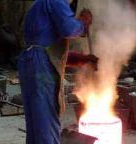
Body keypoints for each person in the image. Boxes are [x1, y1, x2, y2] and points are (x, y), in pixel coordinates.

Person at [18, 0, 98, 144]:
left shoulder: (40, 5)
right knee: (46, 122)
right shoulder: (56, 1)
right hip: (40, 65)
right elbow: (68, 28)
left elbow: (51, 50)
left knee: (36, 123)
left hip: (31, 61)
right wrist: (83, 23)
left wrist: (82, 59)